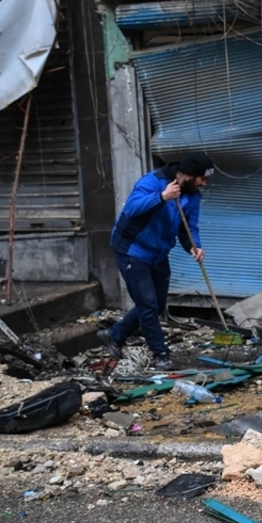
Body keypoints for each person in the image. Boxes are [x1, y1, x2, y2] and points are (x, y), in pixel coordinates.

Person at [97, 151, 213, 371]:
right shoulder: (153, 182)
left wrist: (193, 246)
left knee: (157, 304)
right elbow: (131, 210)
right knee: (148, 305)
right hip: (132, 249)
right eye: (202, 178)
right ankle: (160, 353)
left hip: (158, 252)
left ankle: (114, 335)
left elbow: (189, 227)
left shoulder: (192, 194)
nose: (204, 183)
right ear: (188, 175)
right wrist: (162, 197)